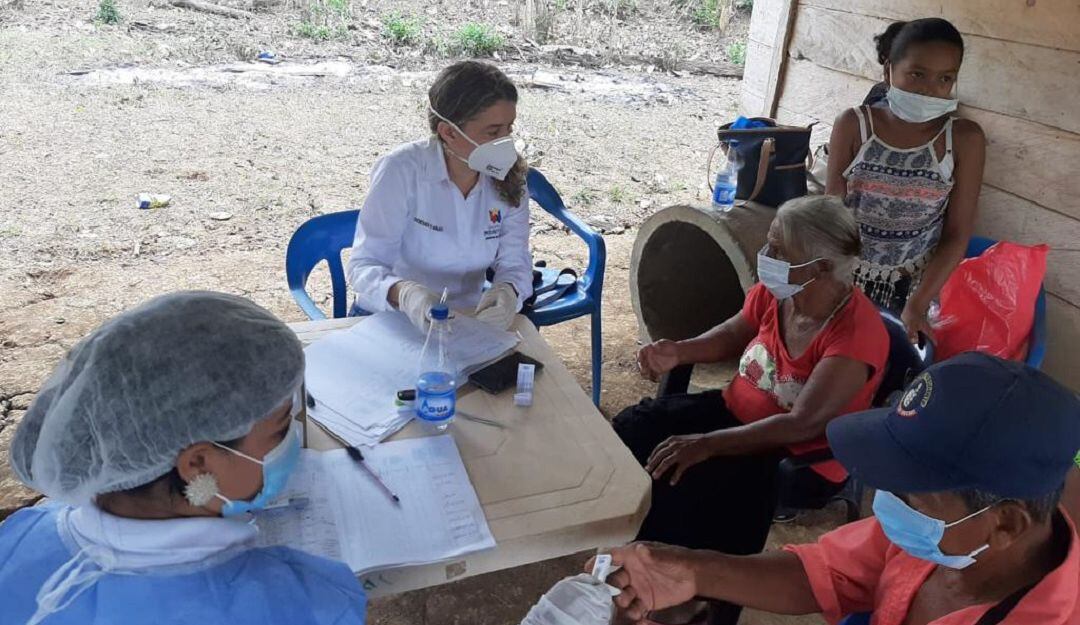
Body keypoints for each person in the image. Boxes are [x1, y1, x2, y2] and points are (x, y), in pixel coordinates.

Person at [595, 352, 1080, 625]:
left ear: (1007, 524)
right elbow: (826, 573)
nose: (884, 502)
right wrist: (694, 571)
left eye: (912, 493)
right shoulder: (951, 539)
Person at [0, 292, 367, 625]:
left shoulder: (20, 538)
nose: (292, 443)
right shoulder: (301, 603)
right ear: (199, 465)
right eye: (281, 428)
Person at [613, 195, 889, 624]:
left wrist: (707, 444)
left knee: (692, 482)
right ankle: (647, 559)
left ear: (820, 268)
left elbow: (803, 423)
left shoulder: (855, 334)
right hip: (732, 410)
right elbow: (732, 334)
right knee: (635, 429)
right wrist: (677, 350)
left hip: (790, 452)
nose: (768, 256)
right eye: (770, 244)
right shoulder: (780, 295)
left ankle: (697, 596)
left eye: (781, 251)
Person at [826, 18, 986, 341]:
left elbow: (957, 233)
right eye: (917, 74)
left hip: (915, 287)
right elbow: (830, 214)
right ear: (889, 71)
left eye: (945, 78)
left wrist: (917, 304)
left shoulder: (964, 140)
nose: (930, 89)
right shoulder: (854, 126)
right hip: (846, 278)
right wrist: (830, 283)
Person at [346, 60, 533, 332]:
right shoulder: (401, 171)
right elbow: (364, 266)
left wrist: (508, 292)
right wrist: (407, 294)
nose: (506, 142)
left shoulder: (508, 178)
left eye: (509, 128)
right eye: (493, 132)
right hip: (390, 318)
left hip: (467, 318)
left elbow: (514, 259)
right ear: (448, 132)